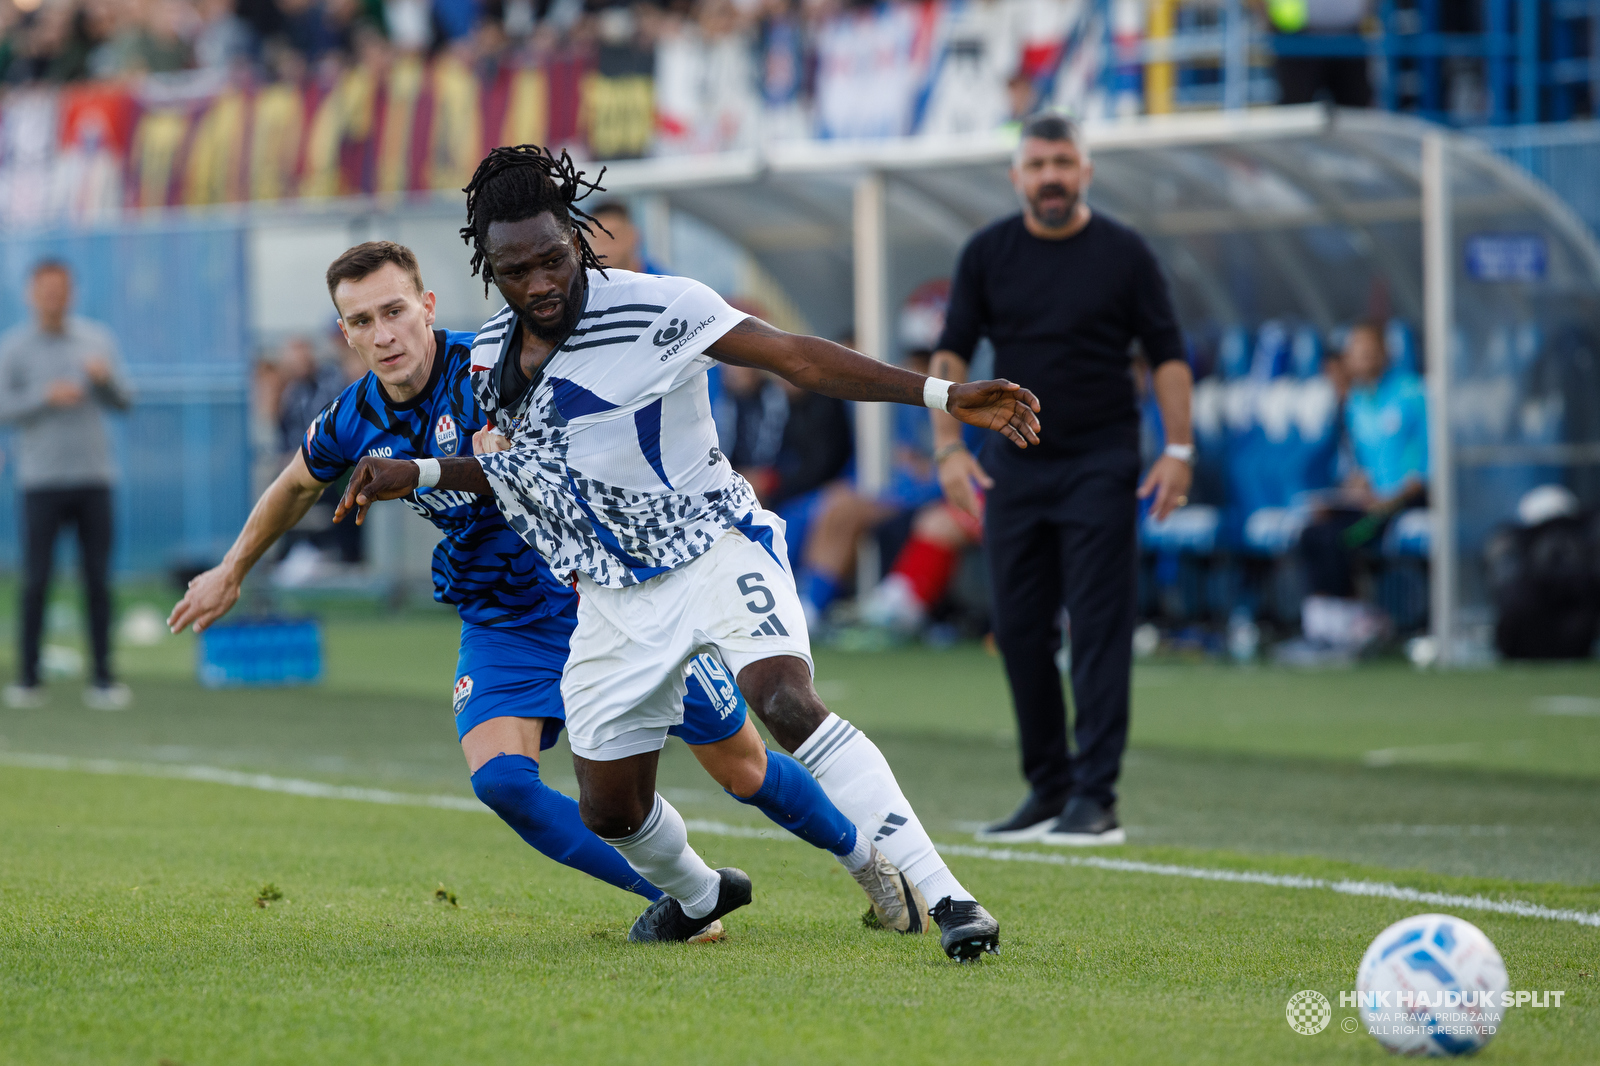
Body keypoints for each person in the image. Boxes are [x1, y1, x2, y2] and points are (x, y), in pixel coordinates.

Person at [337, 145, 1040, 960]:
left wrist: (943, 395)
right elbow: (513, 471)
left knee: (779, 704)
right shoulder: (490, 357)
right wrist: (416, 471)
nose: (541, 283)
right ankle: (699, 893)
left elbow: (796, 356)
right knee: (609, 809)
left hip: (712, 545)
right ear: (487, 267)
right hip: (610, 596)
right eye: (516, 268)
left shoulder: (659, 308)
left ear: (579, 236)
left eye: (555, 258)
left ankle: (949, 897)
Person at [168, 240, 931, 938]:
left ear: (427, 307)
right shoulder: (351, 418)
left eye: (395, 310)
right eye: (362, 320)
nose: (384, 333)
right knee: (503, 780)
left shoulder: (502, 368)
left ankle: (869, 860)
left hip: (603, 599)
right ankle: (690, 900)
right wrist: (231, 569)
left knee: (742, 768)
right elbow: (297, 485)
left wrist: (503, 456)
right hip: (502, 618)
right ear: (347, 334)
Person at [929, 113, 1193, 846]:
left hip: (1102, 463)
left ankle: (1095, 798)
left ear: (1085, 173)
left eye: (1064, 162)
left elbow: (1168, 354)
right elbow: (951, 355)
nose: (1051, 175)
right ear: (1017, 176)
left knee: (1100, 630)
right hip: (1013, 465)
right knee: (1016, 631)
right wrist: (950, 450)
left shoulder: (1125, 253)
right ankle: (1047, 790)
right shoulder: (988, 252)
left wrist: (1180, 449)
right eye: (1038, 163)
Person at [0, 260, 133, 711]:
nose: (54, 297)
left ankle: (103, 678)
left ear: (71, 292)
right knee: (36, 579)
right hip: (40, 480)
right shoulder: (14, 348)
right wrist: (44, 397)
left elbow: (125, 401)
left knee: (97, 579)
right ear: (31, 294)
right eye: (45, 290)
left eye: (61, 289)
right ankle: (28, 678)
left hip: (95, 477)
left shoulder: (97, 340)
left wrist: (103, 380)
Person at [1296, 321, 1426, 650]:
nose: (1361, 359)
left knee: (1342, 538)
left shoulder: (1413, 395)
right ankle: (1323, 622)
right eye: (1355, 353)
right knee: (1313, 533)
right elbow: (1360, 466)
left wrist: (1390, 499)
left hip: (1406, 499)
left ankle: (1354, 623)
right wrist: (1353, 487)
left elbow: (1427, 465)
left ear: (1385, 354)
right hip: (1369, 502)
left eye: (1368, 352)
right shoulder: (1355, 403)